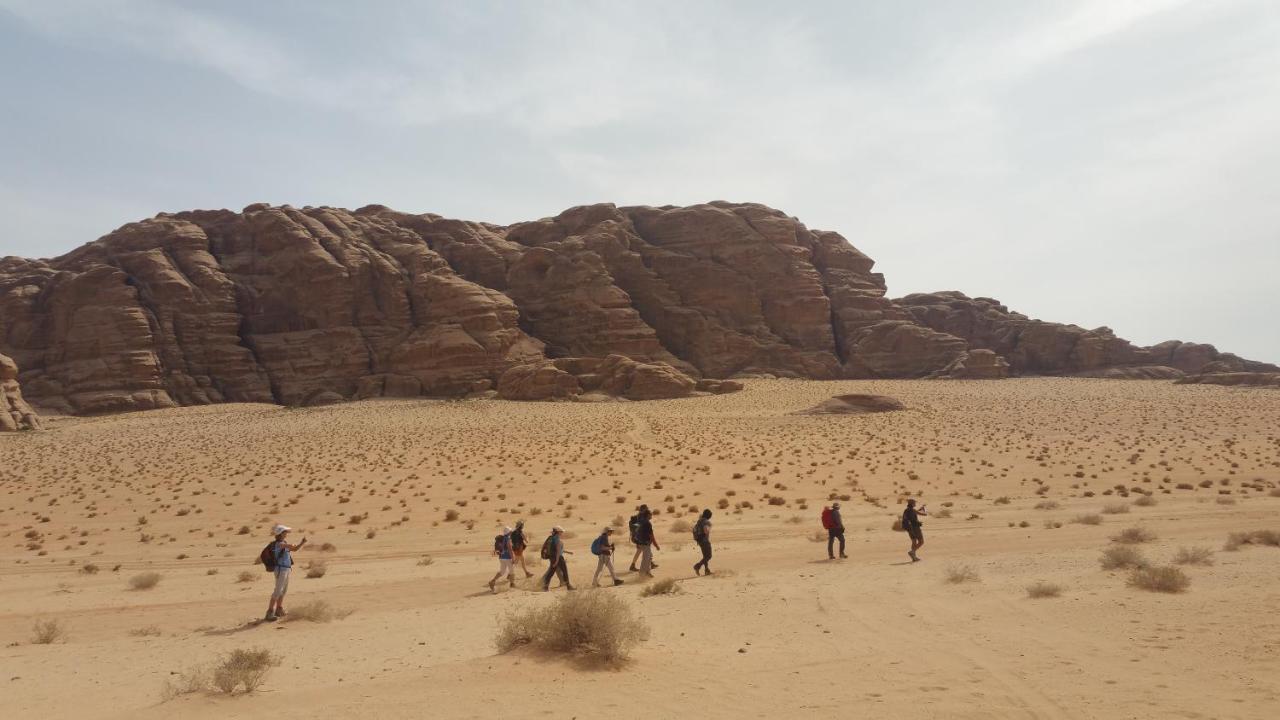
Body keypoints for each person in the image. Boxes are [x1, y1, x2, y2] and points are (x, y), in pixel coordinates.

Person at [265, 524, 306, 622]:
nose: (286, 534)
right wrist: (290, 545)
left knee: (283, 591)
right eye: (285, 532)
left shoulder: (283, 542)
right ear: (280, 533)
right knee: (277, 591)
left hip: (286, 569)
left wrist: (302, 543)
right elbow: (286, 546)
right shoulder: (277, 544)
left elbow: (294, 549)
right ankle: (269, 613)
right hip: (280, 570)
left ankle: (279, 610)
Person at [541, 525, 574, 591]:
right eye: (561, 532)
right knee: (564, 571)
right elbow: (558, 551)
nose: (562, 533)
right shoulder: (557, 539)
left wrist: (568, 552)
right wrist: (557, 561)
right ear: (558, 532)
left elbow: (557, 549)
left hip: (552, 557)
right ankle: (568, 586)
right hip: (558, 558)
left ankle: (545, 587)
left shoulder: (551, 538)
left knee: (551, 572)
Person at [628, 505, 658, 571]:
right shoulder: (640, 517)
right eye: (646, 508)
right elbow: (638, 529)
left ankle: (635, 565)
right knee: (643, 551)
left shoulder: (640, 517)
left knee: (640, 551)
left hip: (638, 538)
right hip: (639, 538)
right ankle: (644, 567)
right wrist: (637, 541)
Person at [488, 526, 517, 593]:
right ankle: (512, 584)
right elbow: (510, 549)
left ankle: (492, 581)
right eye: (510, 531)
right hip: (507, 558)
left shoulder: (502, 538)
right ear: (508, 532)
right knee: (512, 572)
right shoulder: (508, 539)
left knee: (502, 572)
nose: (511, 532)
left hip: (501, 557)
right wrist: (513, 558)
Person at [635, 507, 660, 577]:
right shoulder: (648, 523)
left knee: (649, 557)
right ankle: (641, 574)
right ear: (648, 515)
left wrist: (637, 542)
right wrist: (656, 545)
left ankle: (647, 572)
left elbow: (636, 531)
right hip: (645, 543)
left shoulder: (641, 521)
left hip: (641, 542)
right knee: (646, 558)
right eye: (650, 514)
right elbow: (651, 535)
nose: (651, 515)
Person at [692, 509, 714, 575]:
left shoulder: (699, 521)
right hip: (705, 541)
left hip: (700, 541)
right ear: (708, 515)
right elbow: (706, 531)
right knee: (709, 556)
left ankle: (707, 570)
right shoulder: (706, 522)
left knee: (705, 556)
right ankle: (697, 566)